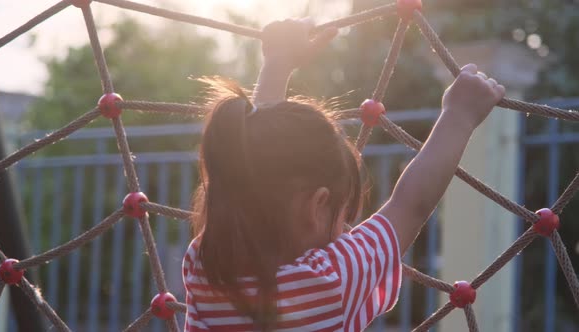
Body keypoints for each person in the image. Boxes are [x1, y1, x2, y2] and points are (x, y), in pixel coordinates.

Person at [182, 18, 505, 332]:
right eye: (343, 214)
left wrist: (277, 64)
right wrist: (459, 116)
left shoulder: (205, 262)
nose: (346, 229)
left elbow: (249, 164)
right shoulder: (325, 281)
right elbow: (410, 205)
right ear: (317, 205)